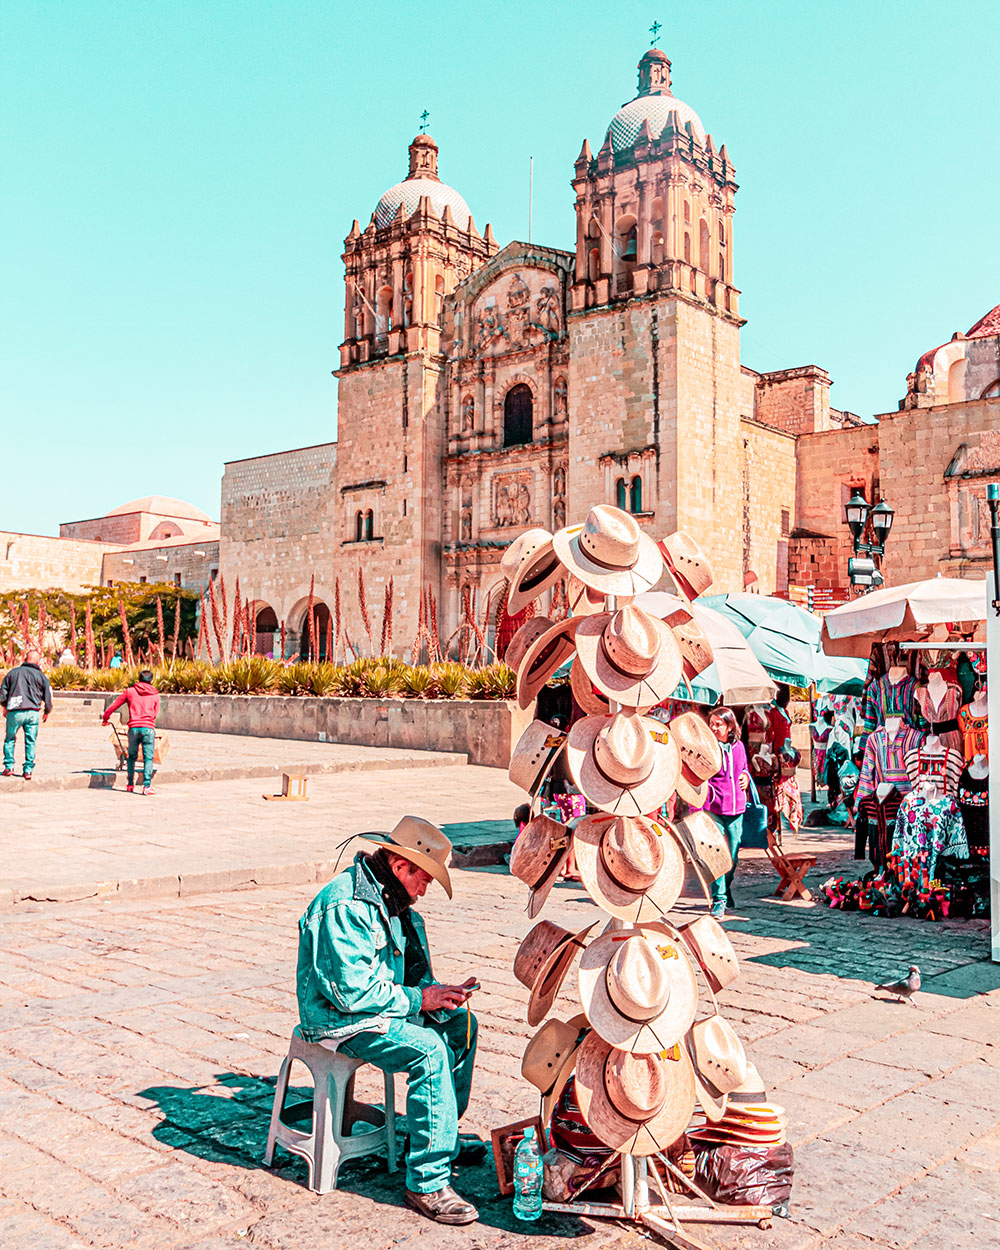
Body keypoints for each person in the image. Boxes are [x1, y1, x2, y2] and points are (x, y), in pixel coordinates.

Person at [297, 816, 483, 1226]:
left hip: (379, 1009)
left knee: (459, 1026)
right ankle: (427, 1182)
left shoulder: (400, 908)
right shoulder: (346, 905)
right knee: (429, 1052)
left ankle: (438, 1137)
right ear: (401, 867)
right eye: (424, 880)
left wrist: (441, 995)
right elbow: (351, 994)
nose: (424, 890)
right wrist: (420, 998)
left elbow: (415, 978)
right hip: (340, 1020)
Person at [701, 707, 750, 918]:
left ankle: (725, 887)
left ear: (729, 726)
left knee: (733, 855)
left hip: (736, 808)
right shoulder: (706, 748)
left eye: (718, 724)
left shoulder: (738, 747)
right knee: (716, 854)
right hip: (714, 807)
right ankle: (719, 899)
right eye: (711, 723)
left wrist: (746, 777)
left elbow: (744, 768)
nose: (713, 728)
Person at [101, 669, 161, 794]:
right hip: (148, 728)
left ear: (138, 679)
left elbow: (114, 705)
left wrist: (106, 718)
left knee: (131, 757)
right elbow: (155, 713)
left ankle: (129, 785)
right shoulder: (155, 694)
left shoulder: (130, 692)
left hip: (133, 728)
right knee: (148, 758)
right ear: (151, 680)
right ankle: (146, 786)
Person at [1, 649, 53, 780]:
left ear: (25, 659)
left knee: (10, 739)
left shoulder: (13, 673)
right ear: (38, 662)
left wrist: (4, 706)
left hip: (15, 711)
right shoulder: (41, 676)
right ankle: (28, 770)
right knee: (30, 741)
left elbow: (3, 692)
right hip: (33, 712)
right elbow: (48, 695)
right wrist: (47, 711)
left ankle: (9, 767)